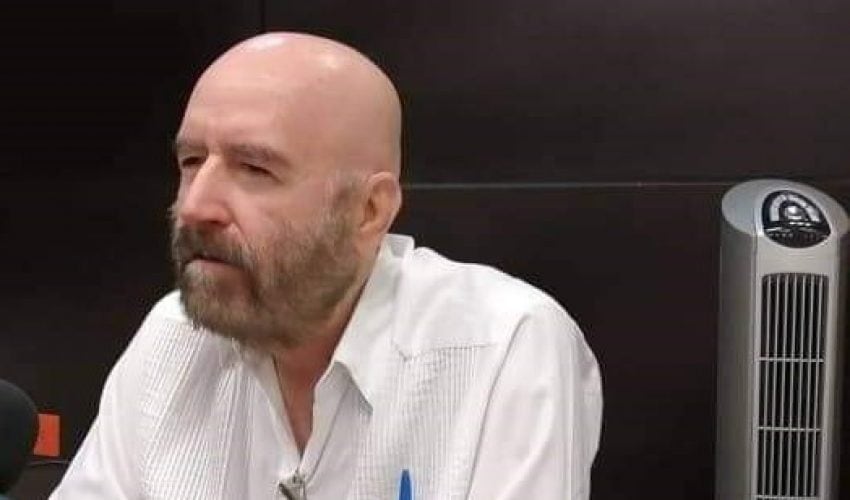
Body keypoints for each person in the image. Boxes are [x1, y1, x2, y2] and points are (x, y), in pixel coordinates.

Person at [51, 32, 602, 499]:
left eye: (254, 169)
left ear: (368, 211)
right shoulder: (171, 337)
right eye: (192, 161)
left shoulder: (504, 343)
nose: (196, 206)